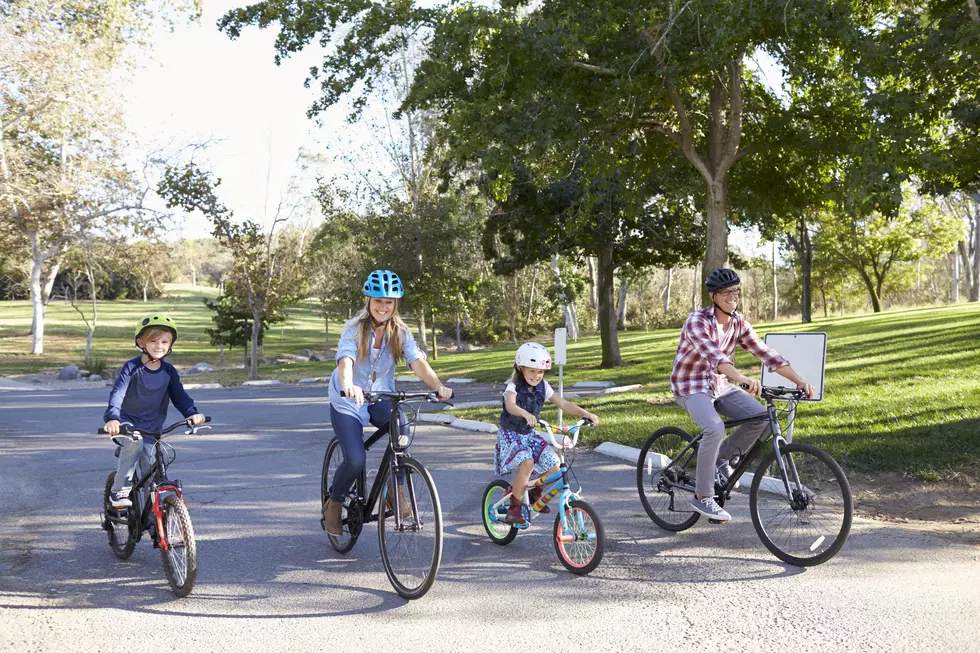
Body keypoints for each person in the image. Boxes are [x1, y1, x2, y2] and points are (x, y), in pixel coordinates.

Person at [671, 268, 815, 522]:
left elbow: (766, 354)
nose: (732, 297)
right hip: (690, 386)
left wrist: (800, 380)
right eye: (726, 292)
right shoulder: (697, 321)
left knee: (760, 418)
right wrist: (742, 378)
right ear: (713, 296)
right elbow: (716, 357)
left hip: (718, 384)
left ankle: (721, 460)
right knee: (714, 428)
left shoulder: (738, 323)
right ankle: (702, 497)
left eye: (735, 291)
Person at [321, 269, 453, 537]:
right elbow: (345, 360)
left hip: (380, 395)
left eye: (389, 302)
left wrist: (438, 386)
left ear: (396, 304)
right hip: (348, 400)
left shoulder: (401, 332)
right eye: (378, 301)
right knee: (356, 459)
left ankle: (396, 493)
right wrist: (348, 385)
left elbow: (417, 362)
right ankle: (334, 504)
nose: (383, 306)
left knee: (401, 431)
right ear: (369, 301)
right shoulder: (353, 329)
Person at [103, 314, 206, 508]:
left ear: (171, 345)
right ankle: (119, 490)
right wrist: (113, 419)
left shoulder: (168, 372)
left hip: (152, 427)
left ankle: (153, 521)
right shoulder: (132, 367)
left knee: (152, 474)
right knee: (134, 441)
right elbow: (118, 394)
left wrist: (192, 413)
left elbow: (180, 396)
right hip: (128, 423)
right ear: (141, 342)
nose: (159, 345)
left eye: (165, 341)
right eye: (153, 340)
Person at [495, 342, 599, 525]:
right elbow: (511, 405)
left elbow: (563, 404)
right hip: (511, 434)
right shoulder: (513, 386)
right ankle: (515, 506)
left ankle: (534, 494)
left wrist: (585, 414)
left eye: (540, 372)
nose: (537, 376)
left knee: (555, 467)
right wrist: (524, 413)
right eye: (532, 371)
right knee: (527, 462)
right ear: (520, 369)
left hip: (528, 433)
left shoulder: (544, 386)